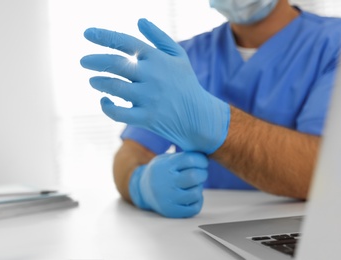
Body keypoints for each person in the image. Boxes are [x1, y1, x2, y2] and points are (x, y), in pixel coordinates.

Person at [80, 0, 341, 218]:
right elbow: (131, 153)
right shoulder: (185, 55)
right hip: (201, 229)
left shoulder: (333, 43)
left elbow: (327, 172)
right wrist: (141, 185)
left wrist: (220, 128)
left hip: (302, 229)